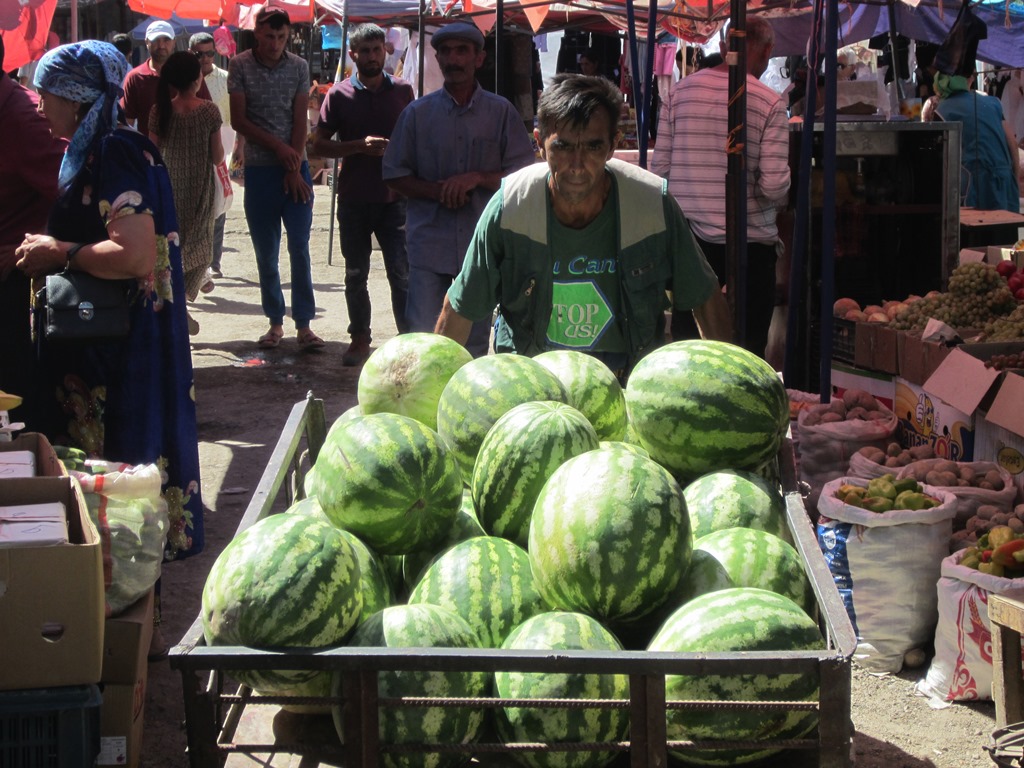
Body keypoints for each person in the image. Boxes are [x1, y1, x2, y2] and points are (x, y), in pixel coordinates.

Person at [14, 41, 206, 652]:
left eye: (46, 92)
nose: (39, 104)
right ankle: (126, 608)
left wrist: (59, 253)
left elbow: (136, 253)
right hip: (109, 343)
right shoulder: (102, 147)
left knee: (121, 473)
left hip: (119, 353)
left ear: (74, 96)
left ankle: (131, 617)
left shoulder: (114, 151)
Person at [434, 74, 732, 380]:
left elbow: (705, 297)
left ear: (613, 145)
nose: (576, 164)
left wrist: (729, 384)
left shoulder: (651, 204)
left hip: (625, 381)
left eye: (592, 147)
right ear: (539, 142)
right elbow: (459, 308)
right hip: (532, 385)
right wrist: (432, 393)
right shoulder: (511, 207)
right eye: (562, 146)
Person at [382, 21, 535, 357]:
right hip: (428, 245)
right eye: (446, 52)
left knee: (474, 344)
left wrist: (478, 177)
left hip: (480, 248)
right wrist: (437, 190)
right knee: (424, 338)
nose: (453, 59)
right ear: (437, 59)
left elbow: (525, 175)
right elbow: (393, 174)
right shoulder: (417, 115)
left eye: (462, 51)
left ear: (479, 58)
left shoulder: (501, 113)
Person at [653, 16, 789, 359]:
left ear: (726, 45)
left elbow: (660, 170)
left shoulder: (680, 93)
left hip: (689, 241)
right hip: (751, 241)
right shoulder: (770, 102)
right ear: (768, 51)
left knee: (689, 343)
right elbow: (774, 186)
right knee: (749, 347)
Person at [312, 23, 414, 367]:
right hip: (354, 199)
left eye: (376, 49)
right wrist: (358, 147)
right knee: (355, 274)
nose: (371, 56)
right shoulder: (338, 95)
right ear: (353, 55)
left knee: (401, 273)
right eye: (364, 51)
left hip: (395, 199)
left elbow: (413, 140)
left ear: (385, 51)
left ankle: (408, 340)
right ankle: (359, 338)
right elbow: (319, 144)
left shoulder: (403, 91)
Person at [229, 6, 322, 351]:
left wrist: (294, 165)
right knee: (266, 252)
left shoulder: (298, 67)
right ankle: (274, 323)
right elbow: (239, 120)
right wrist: (280, 152)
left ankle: (305, 325)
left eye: (282, 37)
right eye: (270, 36)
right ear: (258, 34)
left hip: (295, 170)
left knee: (299, 247)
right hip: (260, 170)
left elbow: (301, 121)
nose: (275, 43)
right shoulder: (239, 65)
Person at [0, 33, 65, 424]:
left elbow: (77, 192)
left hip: (14, 283)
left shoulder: (23, 118)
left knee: (16, 402)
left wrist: (32, 243)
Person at [149, 50, 224, 334]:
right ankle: (180, 308)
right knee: (200, 253)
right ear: (197, 78)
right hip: (199, 193)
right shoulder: (208, 111)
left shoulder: (160, 111)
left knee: (171, 252)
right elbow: (218, 157)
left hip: (168, 192)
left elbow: (151, 152)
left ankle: (176, 309)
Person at [932, 70, 1020, 213]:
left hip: (972, 186)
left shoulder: (942, 110)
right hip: (1003, 182)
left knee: (976, 233)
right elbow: (1012, 143)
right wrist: (1013, 182)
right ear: (971, 79)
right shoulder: (993, 102)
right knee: (1004, 232)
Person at [190, 31, 230, 279]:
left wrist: (239, 147)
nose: (205, 59)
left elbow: (233, 115)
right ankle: (197, 262)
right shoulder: (182, 79)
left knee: (219, 203)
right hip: (191, 150)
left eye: (209, 53)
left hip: (220, 148)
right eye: (199, 54)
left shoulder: (225, 79)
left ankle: (214, 261)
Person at [122, 20, 212, 131]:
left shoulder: (190, 72)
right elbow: (127, 121)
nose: (161, 45)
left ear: (174, 42)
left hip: (187, 145)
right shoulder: (135, 77)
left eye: (166, 40)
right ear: (146, 42)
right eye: (155, 40)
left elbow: (208, 114)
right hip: (148, 147)